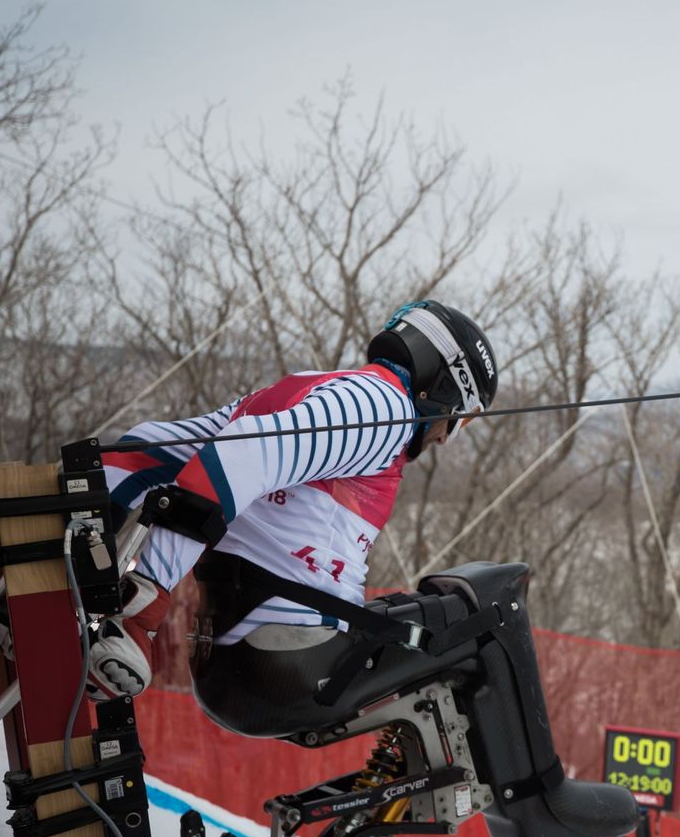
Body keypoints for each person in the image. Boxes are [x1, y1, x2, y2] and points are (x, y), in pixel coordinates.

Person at [88, 299, 499, 710]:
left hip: (230, 655)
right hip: (294, 659)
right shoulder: (385, 407)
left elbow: (144, 452)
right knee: (494, 616)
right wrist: (145, 599)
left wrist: (80, 549)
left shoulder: (311, 388)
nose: (446, 438)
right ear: (445, 385)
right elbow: (241, 456)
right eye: (462, 420)